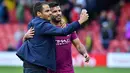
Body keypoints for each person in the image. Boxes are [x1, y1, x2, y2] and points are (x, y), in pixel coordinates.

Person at [16, 1, 89, 73]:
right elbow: (63, 32)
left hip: (66, 70)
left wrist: (85, 53)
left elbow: (78, 45)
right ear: (40, 14)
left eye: (59, 11)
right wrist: (80, 21)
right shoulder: (44, 27)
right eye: (54, 11)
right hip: (47, 69)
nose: (58, 13)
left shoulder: (68, 27)